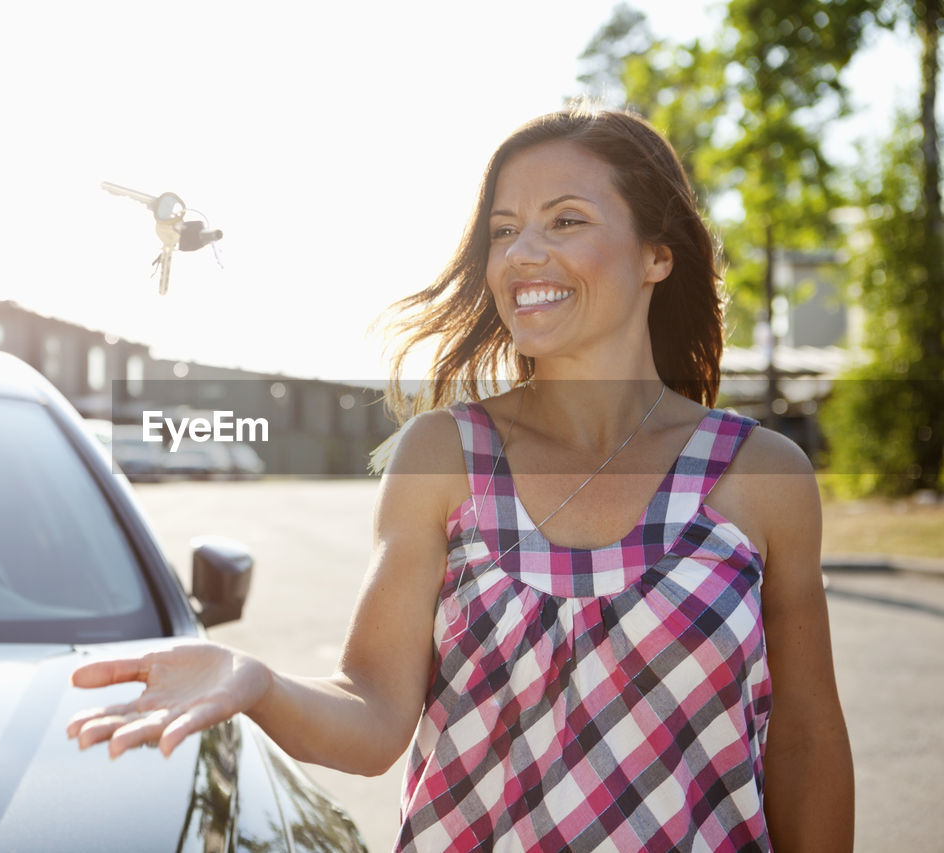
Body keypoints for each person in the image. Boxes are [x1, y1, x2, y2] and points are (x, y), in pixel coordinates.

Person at [65, 105, 854, 851]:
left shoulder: (762, 476)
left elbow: (807, 737)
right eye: (504, 229)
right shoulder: (441, 456)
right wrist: (258, 681)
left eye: (565, 220)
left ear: (657, 254)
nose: (521, 253)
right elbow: (372, 713)